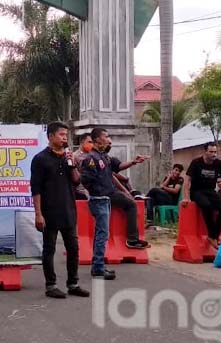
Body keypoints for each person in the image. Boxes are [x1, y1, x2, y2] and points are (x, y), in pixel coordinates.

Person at [79, 128, 150, 281]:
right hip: (99, 199)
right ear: (97, 139)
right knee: (102, 234)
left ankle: (99, 266)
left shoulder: (104, 157)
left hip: (105, 198)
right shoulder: (91, 158)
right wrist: (98, 191)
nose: (108, 139)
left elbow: (118, 167)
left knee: (103, 234)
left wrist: (134, 161)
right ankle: (98, 267)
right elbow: (85, 180)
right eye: (106, 136)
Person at [30, 122, 89, 299]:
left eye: (66, 135)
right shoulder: (40, 159)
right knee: (49, 249)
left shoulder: (68, 157)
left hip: (68, 210)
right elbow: (36, 189)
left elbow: (77, 181)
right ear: (51, 137)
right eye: (61, 134)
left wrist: (72, 165)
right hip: (49, 212)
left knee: (73, 248)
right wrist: (38, 214)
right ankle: (51, 285)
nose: (65, 138)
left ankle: (73, 283)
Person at [182, 143, 221, 249]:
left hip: (210, 191)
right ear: (205, 152)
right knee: (207, 205)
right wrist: (186, 197)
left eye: (215, 152)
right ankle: (212, 235)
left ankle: (214, 235)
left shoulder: (219, 164)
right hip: (196, 191)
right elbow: (187, 181)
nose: (214, 154)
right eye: (211, 152)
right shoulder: (196, 162)